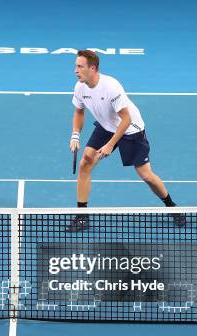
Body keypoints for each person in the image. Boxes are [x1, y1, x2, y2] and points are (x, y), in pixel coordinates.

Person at [67, 50, 185, 232]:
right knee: (85, 162)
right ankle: (82, 216)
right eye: (76, 66)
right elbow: (78, 111)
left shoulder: (111, 86)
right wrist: (75, 134)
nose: (76, 70)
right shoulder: (80, 87)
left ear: (93, 68)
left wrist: (110, 145)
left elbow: (126, 119)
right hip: (107, 126)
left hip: (130, 129)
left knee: (146, 175)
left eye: (80, 66)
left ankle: (173, 207)